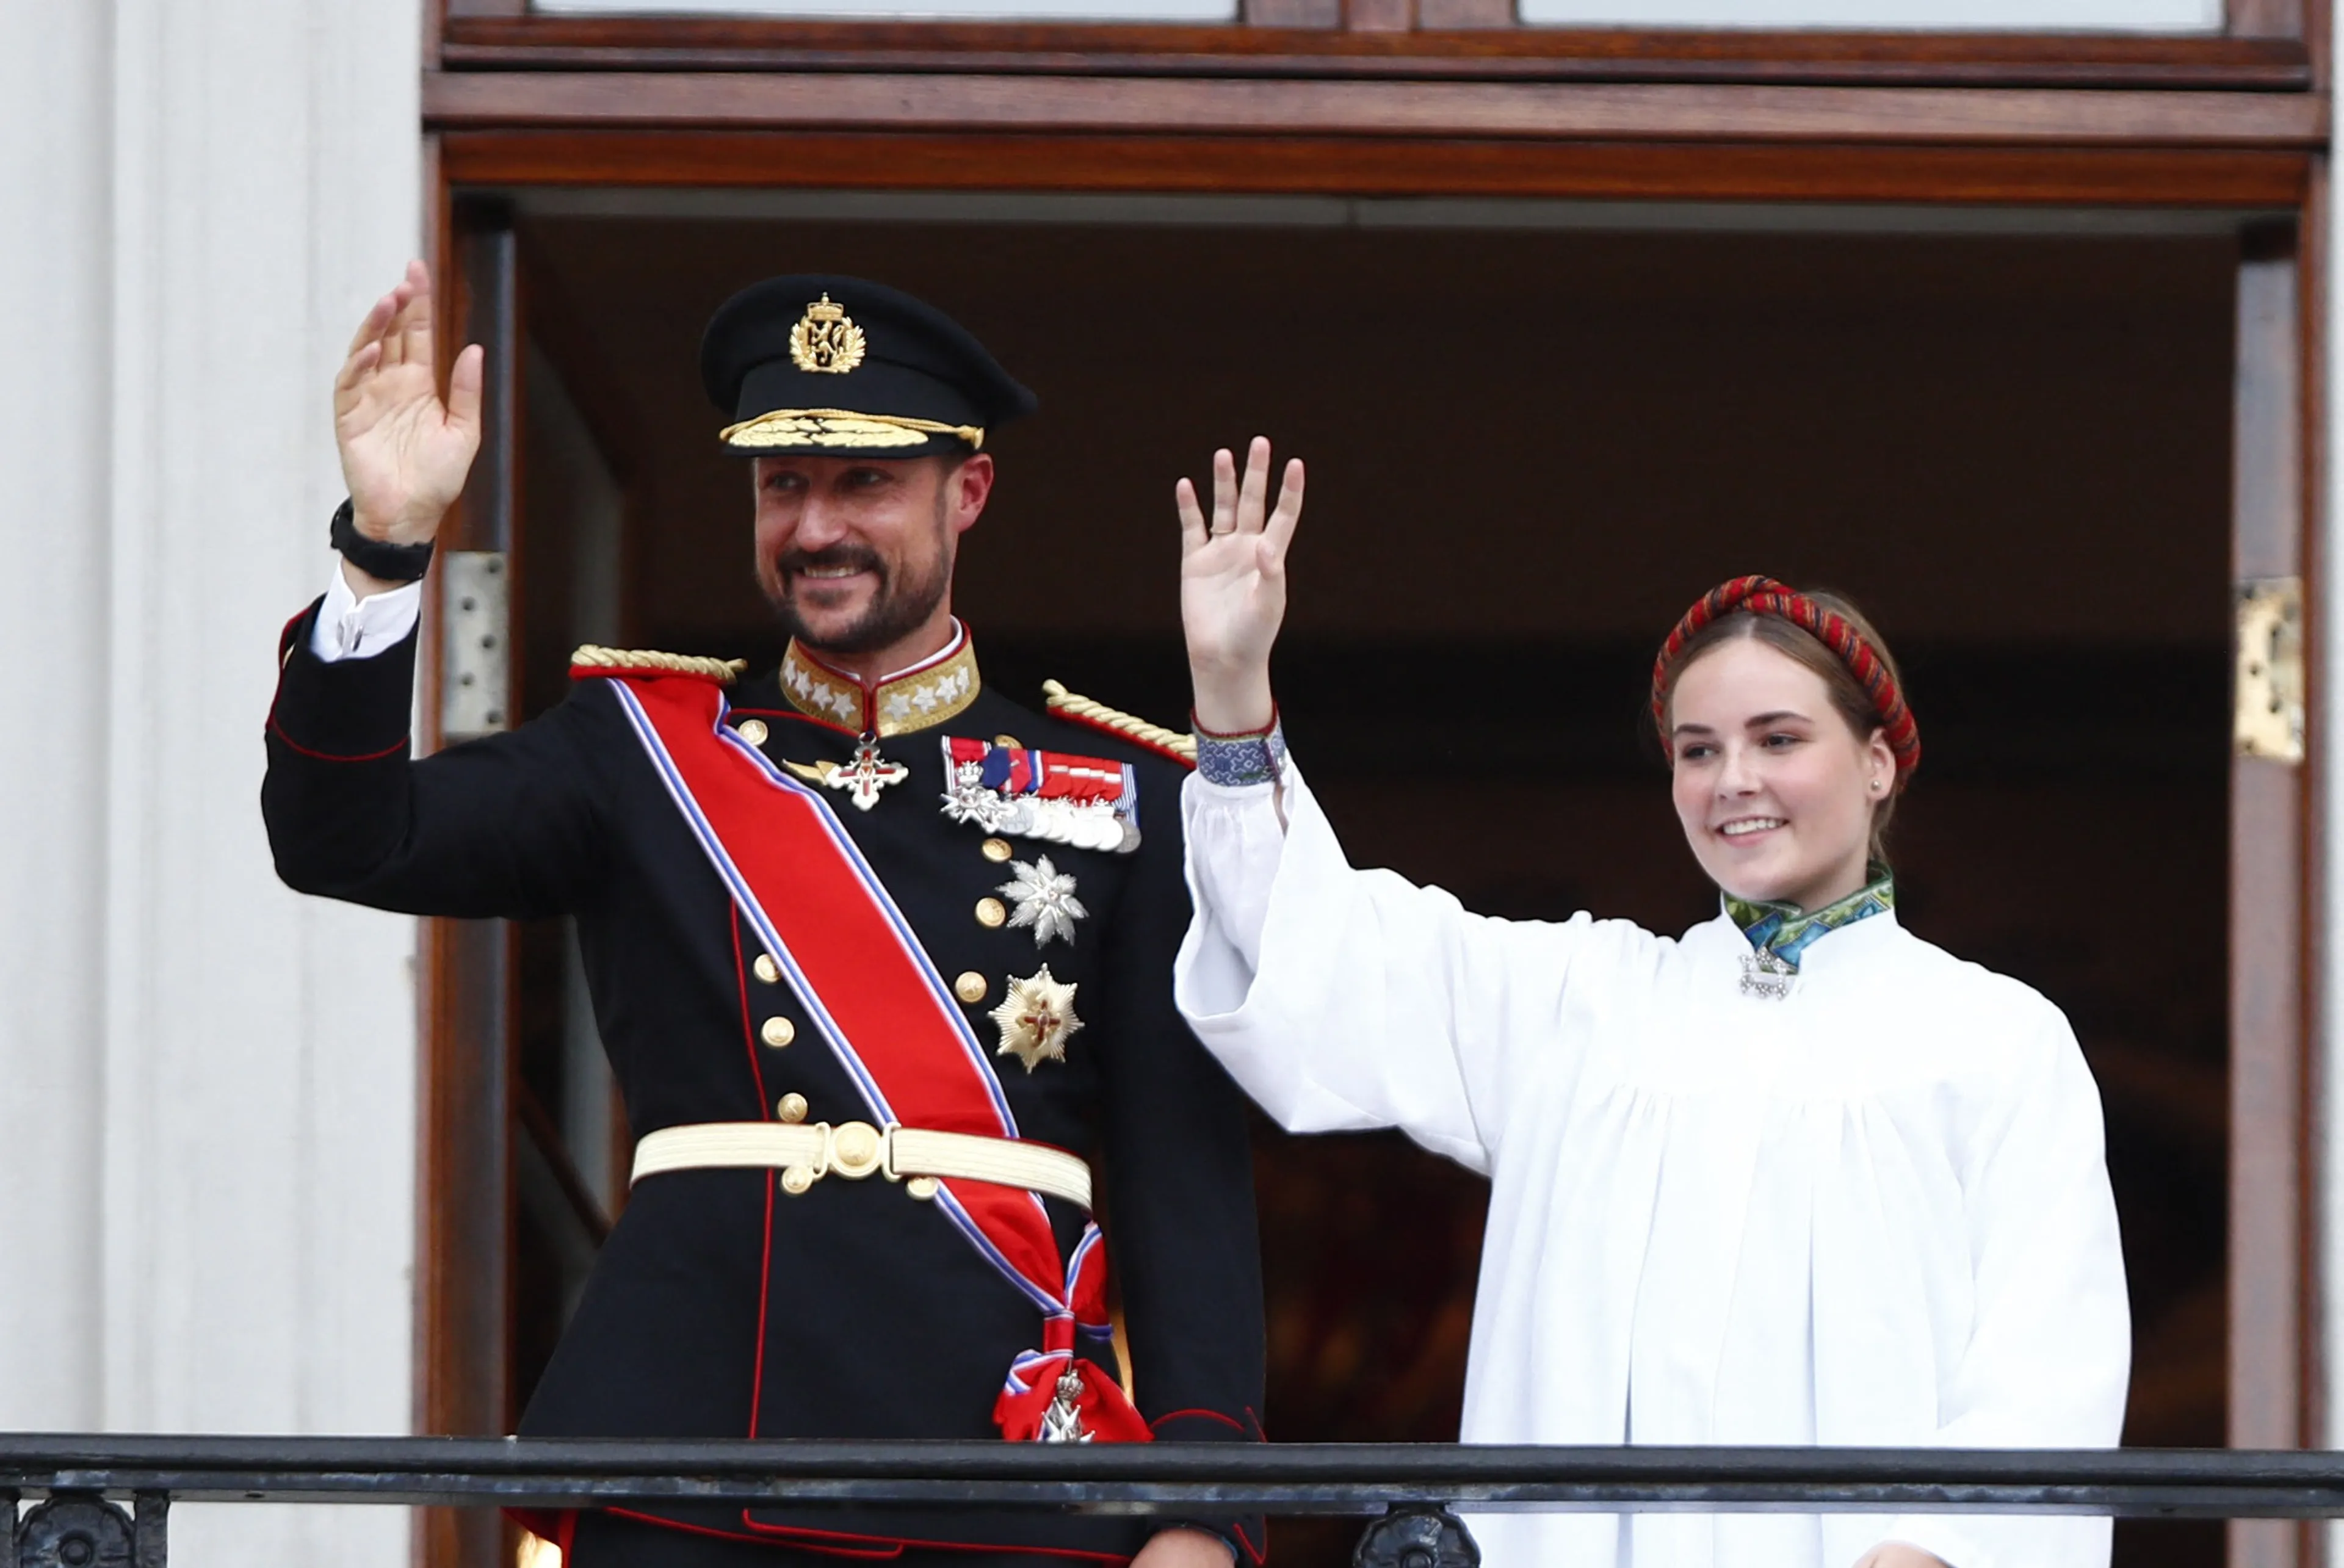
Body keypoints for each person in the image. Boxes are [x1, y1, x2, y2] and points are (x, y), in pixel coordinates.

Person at [262, 264, 1265, 1568]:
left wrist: (1205, 1511)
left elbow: (1185, 1177)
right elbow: (344, 835)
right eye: (782, 485)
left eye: (864, 485)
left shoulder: (1132, 794)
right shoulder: (640, 750)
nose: (815, 528)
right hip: (696, 1453)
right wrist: (384, 551)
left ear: (966, 493)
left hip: (1008, 1463)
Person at [1168, 439, 2130, 1568]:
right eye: (1698, 749)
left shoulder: (1994, 1039)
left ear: (1878, 764)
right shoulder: (1584, 1005)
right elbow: (1323, 954)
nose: (1735, 782)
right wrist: (1233, 692)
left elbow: (2047, 1361)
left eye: (1780, 740)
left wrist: (1929, 1552)